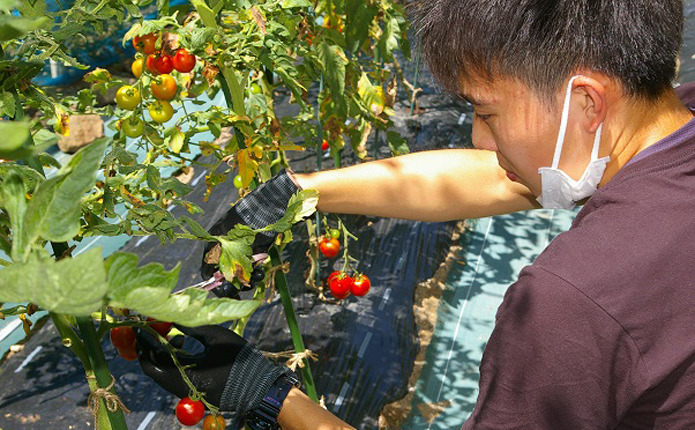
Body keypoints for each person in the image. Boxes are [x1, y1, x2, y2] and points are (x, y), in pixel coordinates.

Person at [137, 0, 695, 428]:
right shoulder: (671, 128)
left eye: (486, 111)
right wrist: (297, 193)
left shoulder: (571, 303)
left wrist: (273, 400)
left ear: (587, 103)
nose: (481, 138)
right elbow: (493, 177)